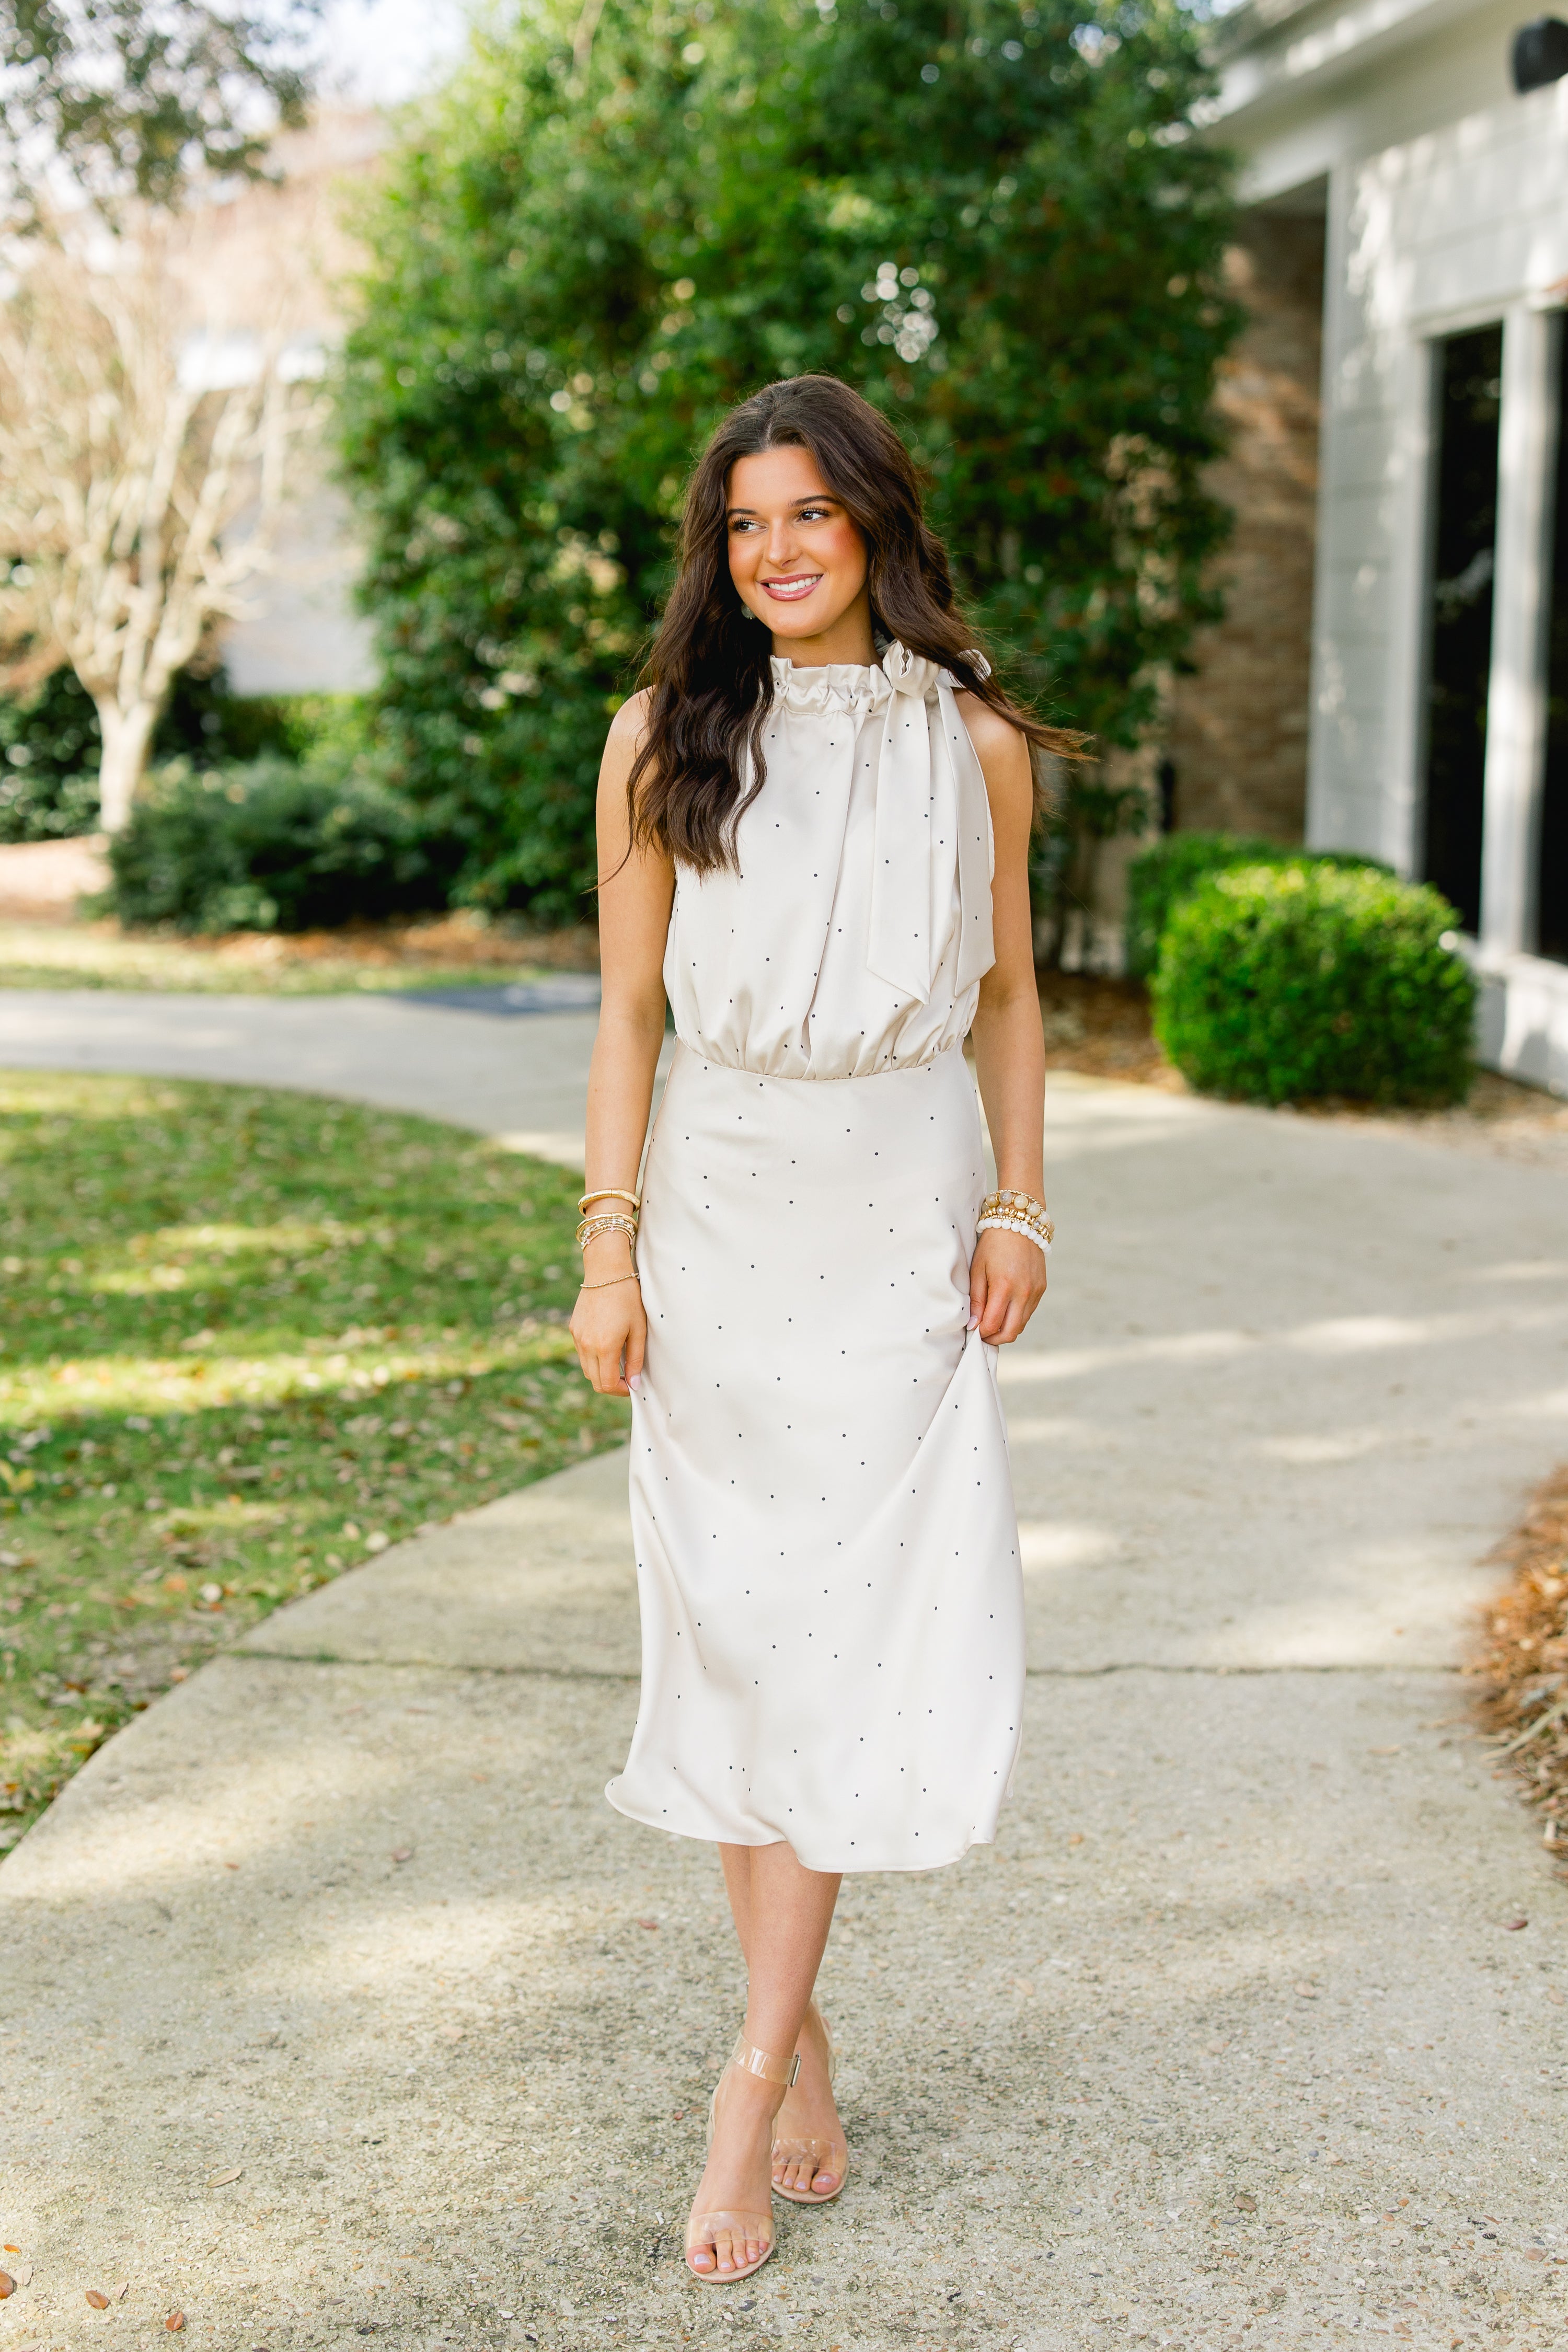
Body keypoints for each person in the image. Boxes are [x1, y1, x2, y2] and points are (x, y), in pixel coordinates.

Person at [569, 372, 1068, 2287]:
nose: (776, 550)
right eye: (745, 522)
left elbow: (1010, 995)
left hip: (899, 1214)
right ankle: (797, 2027)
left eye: (811, 515)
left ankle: (751, 2066)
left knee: (848, 1638)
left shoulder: (975, 743)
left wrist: (1021, 1200)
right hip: (719, 1216)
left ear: (873, 525)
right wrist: (609, 1249)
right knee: (744, 1632)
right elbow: (627, 1016)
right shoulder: (659, 738)